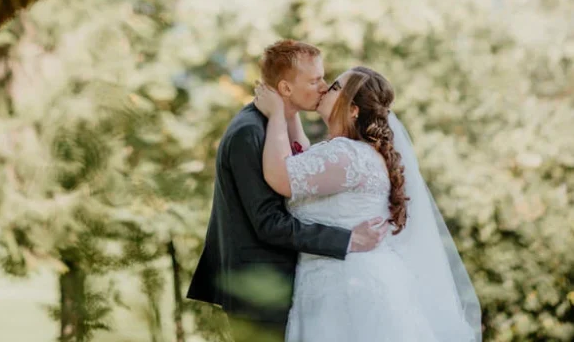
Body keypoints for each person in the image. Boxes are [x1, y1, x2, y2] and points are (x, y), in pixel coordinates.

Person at [255, 65, 482, 342]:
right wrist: (290, 112)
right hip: (345, 284)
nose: (325, 87)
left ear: (353, 110)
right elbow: (301, 157)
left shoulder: (347, 155)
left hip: (348, 293)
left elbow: (283, 177)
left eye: (336, 87)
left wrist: (277, 114)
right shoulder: (351, 152)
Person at [186, 42, 388, 342]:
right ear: (285, 88)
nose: (322, 87)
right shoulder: (249, 132)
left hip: (291, 285)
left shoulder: (276, 127)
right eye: (314, 80)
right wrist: (346, 239)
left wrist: (285, 116)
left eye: (324, 80)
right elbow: (268, 222)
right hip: (258, 290)